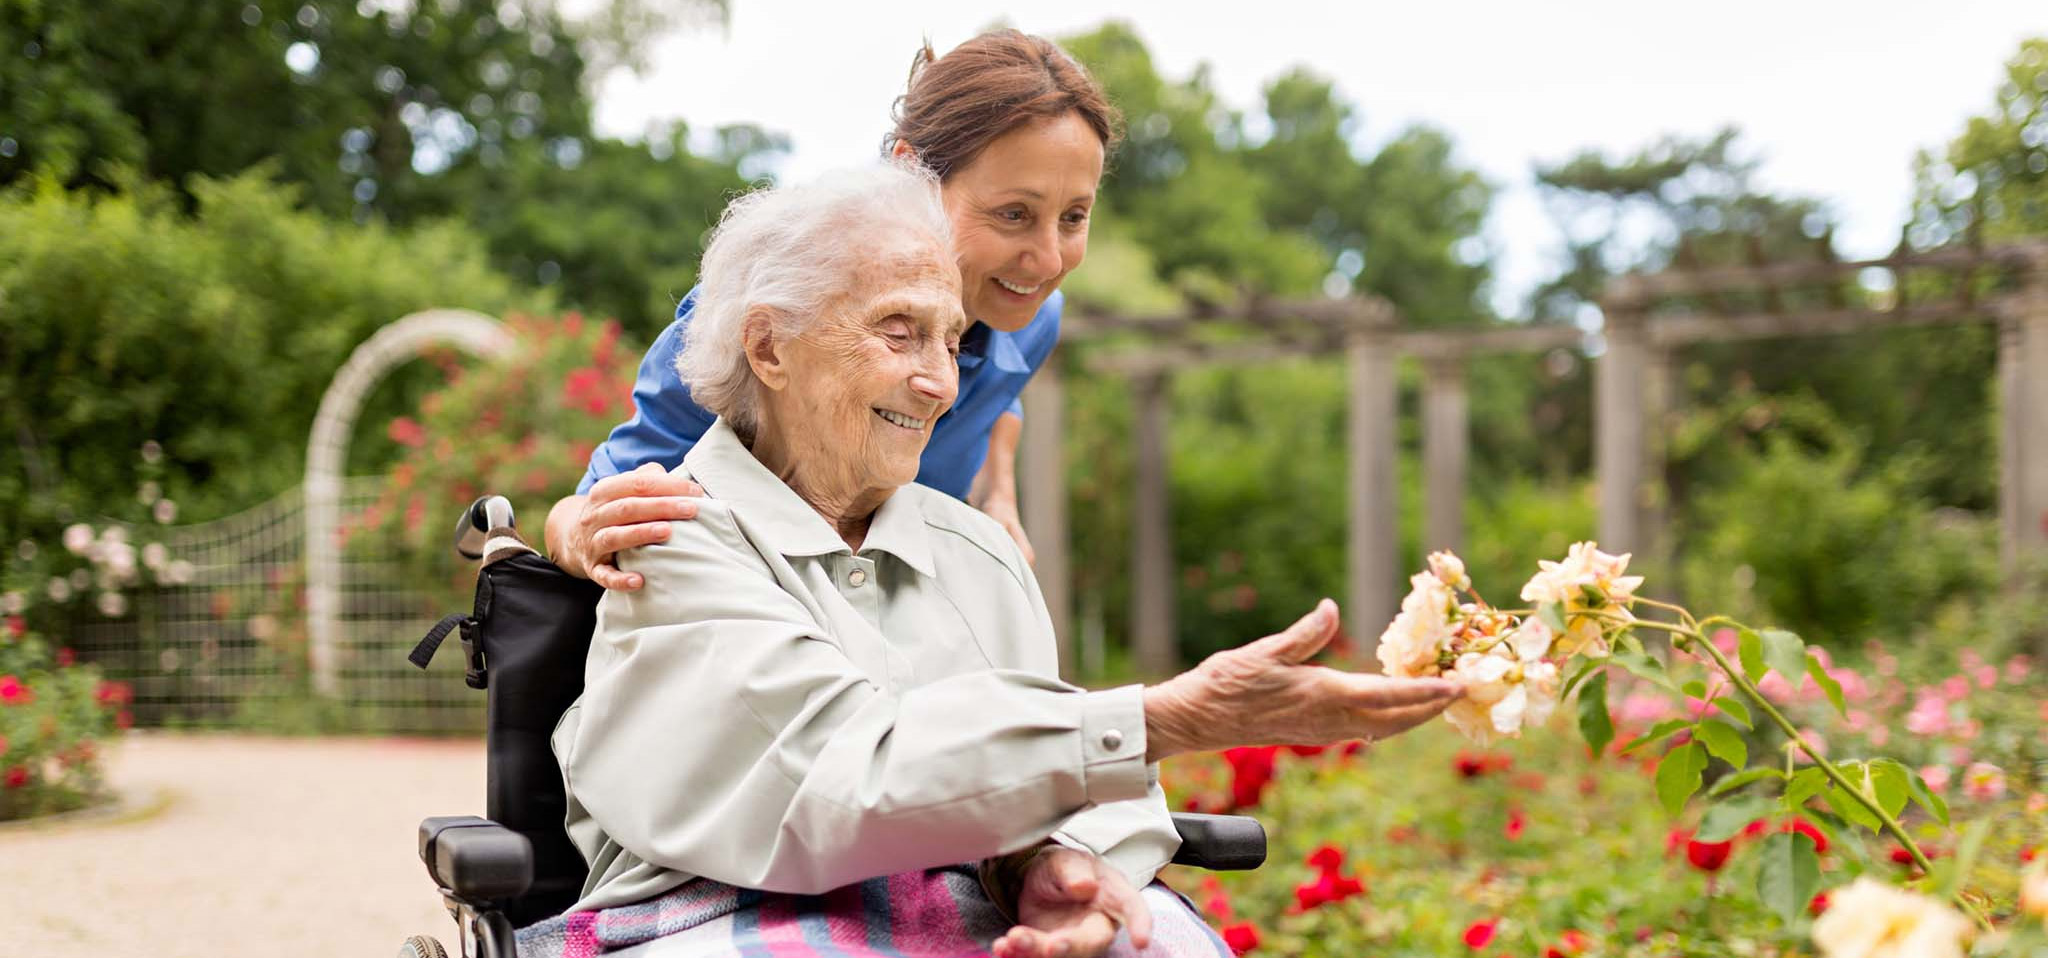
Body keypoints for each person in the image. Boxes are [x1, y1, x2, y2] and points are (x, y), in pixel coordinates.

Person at [527, 163, 1461, 958]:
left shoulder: (978, 551)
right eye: (899, 332)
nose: (939, 381)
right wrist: (1169, 716)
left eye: (952, 338)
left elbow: (1078, 783)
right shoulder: (672, 534)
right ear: (769, 346)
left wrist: (1056, 863)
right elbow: (842, 781)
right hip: (716, 911)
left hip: (975, 912)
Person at [546, 28, 1111, 584]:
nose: (1046, 260)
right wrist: (579, 538)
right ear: (911, 168)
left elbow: (998, 402)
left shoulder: (1033, 321)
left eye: (1073, 218)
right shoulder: (772, 309)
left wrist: (999, 493)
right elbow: (585, 511)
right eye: (1013, 213)